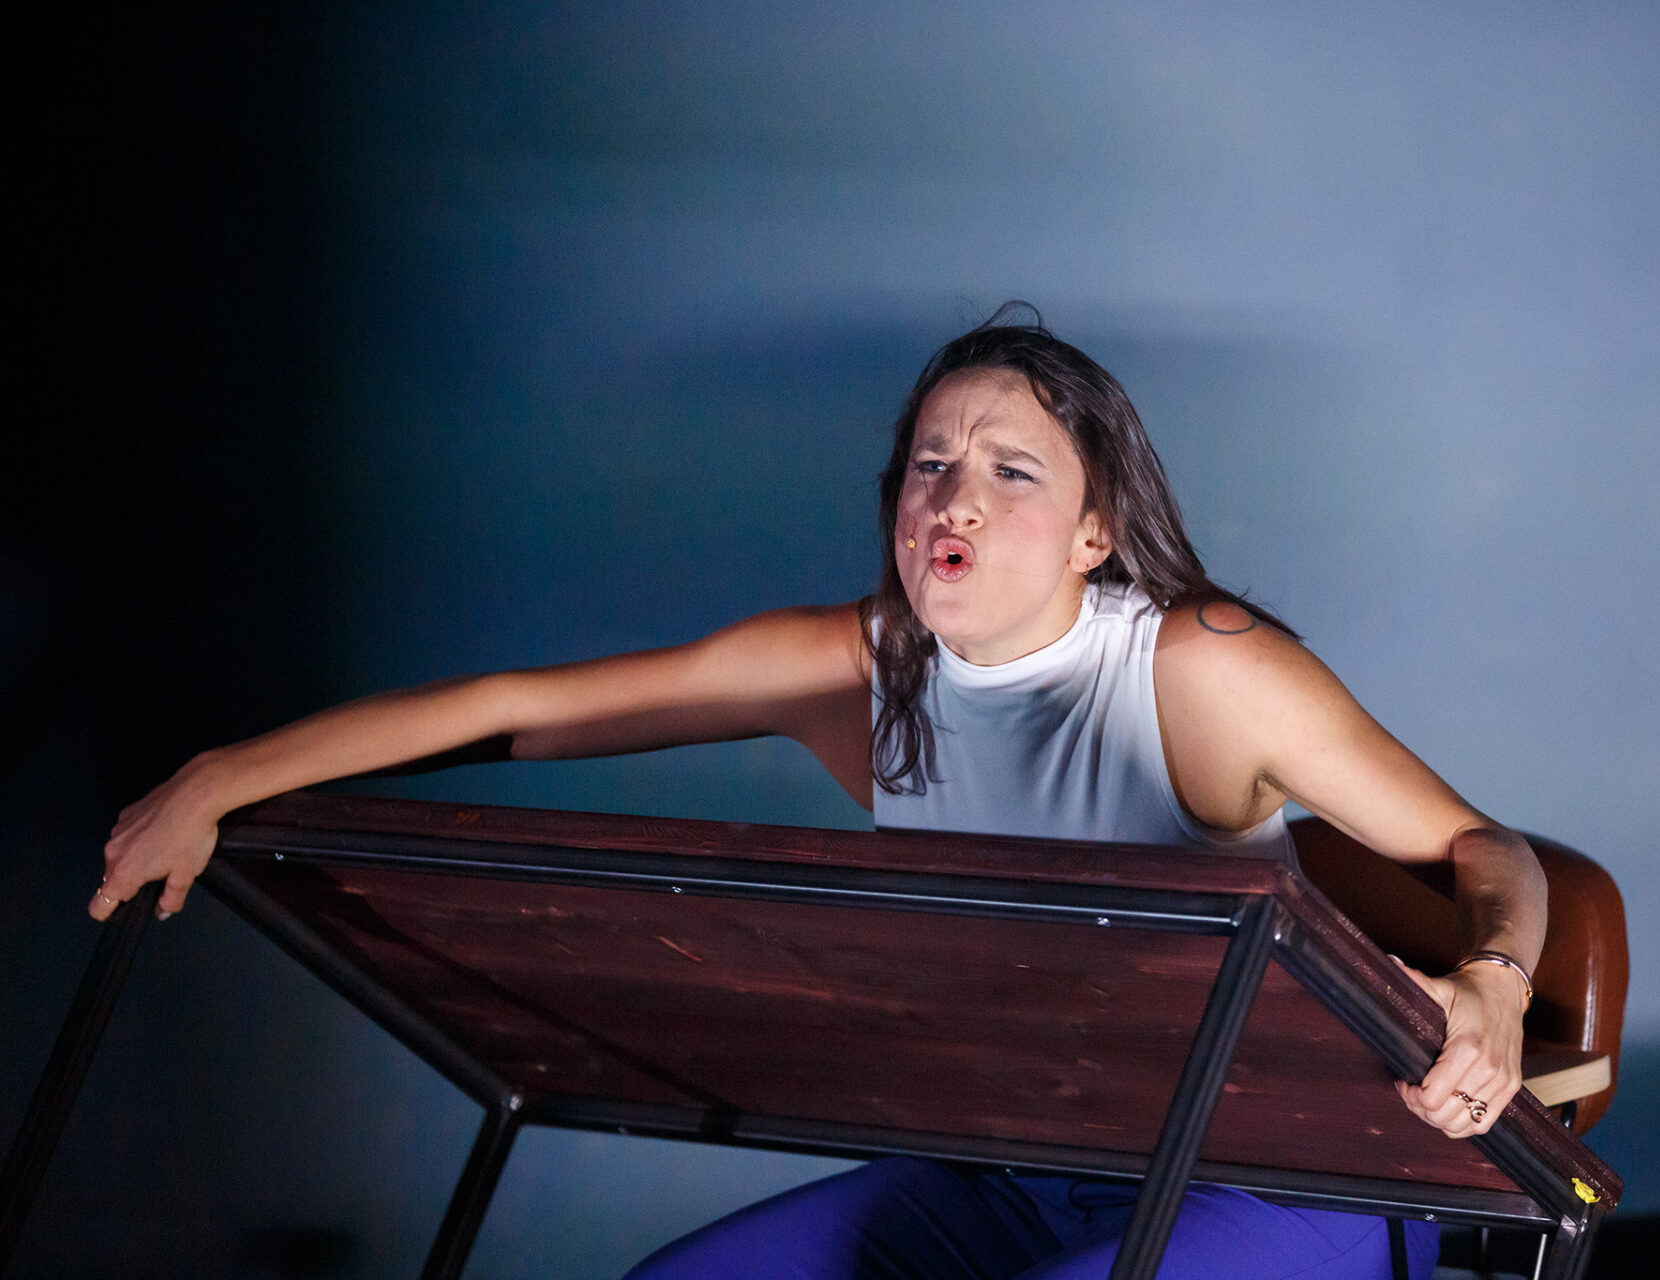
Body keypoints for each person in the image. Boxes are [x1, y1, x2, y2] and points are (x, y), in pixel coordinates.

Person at [95, 306, 1545, 1280]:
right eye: (930, 463)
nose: (954, 496)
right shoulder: (860, 669)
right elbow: (520, 710)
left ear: (1095, 532)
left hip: (1278, 1177)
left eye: (1011, 472)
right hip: (1017, 1165)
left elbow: (1491, 852)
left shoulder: (1202, 668)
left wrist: (1489, 989)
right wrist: (222, 778)